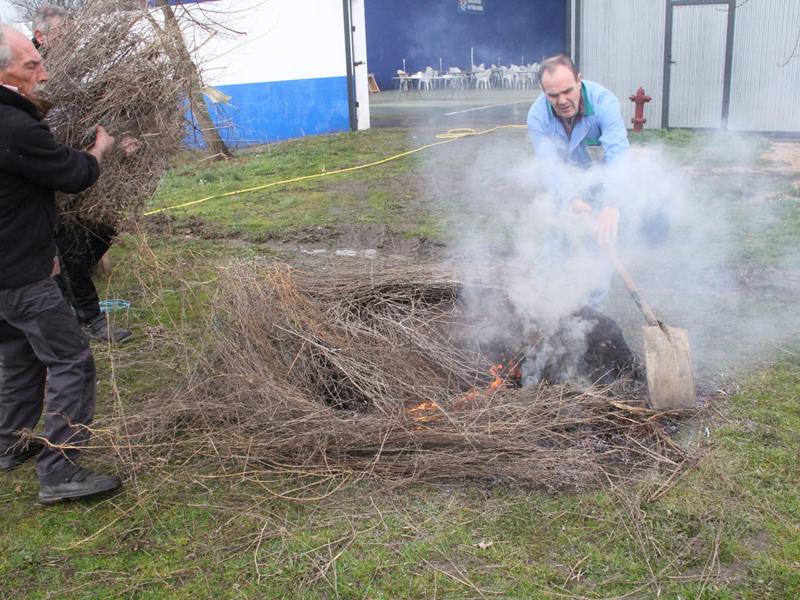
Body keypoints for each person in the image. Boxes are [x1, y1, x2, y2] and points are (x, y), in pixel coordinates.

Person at [0, 24, 122, 504]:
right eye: (32, 64)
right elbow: (73, 175)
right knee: (71, 359)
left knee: (19, 356)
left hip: (3, 274)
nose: (43, 72)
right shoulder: (14, 125)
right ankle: (60, 470)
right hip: (20, 275)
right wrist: (99, 150)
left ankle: (11, 444)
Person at [33, 4, 134, 344]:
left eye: (72, 36)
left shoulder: (78, 70)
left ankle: (65, 302)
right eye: (63, 36)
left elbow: (96, 114)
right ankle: (87, 318)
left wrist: (119, 139)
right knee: (71, 243)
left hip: (80, 164)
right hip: (49, 172)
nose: (70, 42)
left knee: (104, 228)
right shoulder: (31, 71)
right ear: (41, 37)